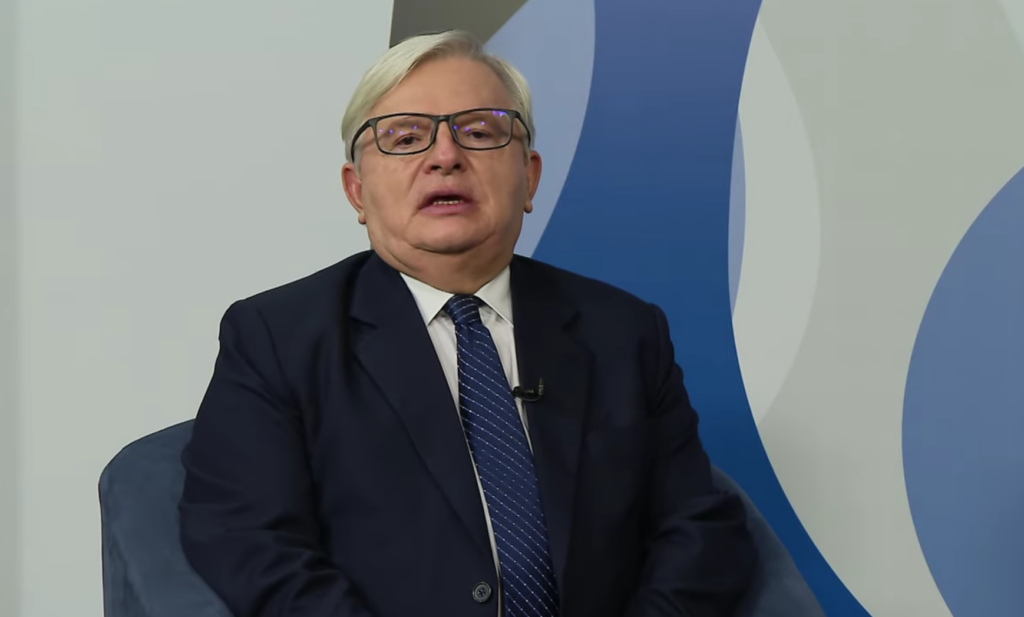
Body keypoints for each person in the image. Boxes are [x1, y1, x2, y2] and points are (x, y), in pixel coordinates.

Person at [179, 29, 755, 617]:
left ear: (529, 176)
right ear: (357, 191)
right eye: (405, 137)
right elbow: (248, 542)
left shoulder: (624, 334)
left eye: (479, 132)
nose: (445, 157)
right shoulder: (277, 338)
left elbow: (698, 529)